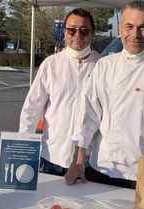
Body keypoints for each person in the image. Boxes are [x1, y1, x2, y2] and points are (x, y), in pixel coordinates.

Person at [65, 0, 144, 188]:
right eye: (129, 26)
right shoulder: (105, 65)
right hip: (101, 168)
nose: (135, 34)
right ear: (120, 29)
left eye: (143, 27)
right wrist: (78, 160)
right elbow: (88, 116)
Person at [19, 8, 101, 176]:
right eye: (72, 30)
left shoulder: (103, 66)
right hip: (52, 158)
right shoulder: (51, 65)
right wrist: (23, 148)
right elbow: (32, 108)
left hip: (89, 163)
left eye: (84, 30)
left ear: (92, 34)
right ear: (64, 32)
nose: (77, 34)